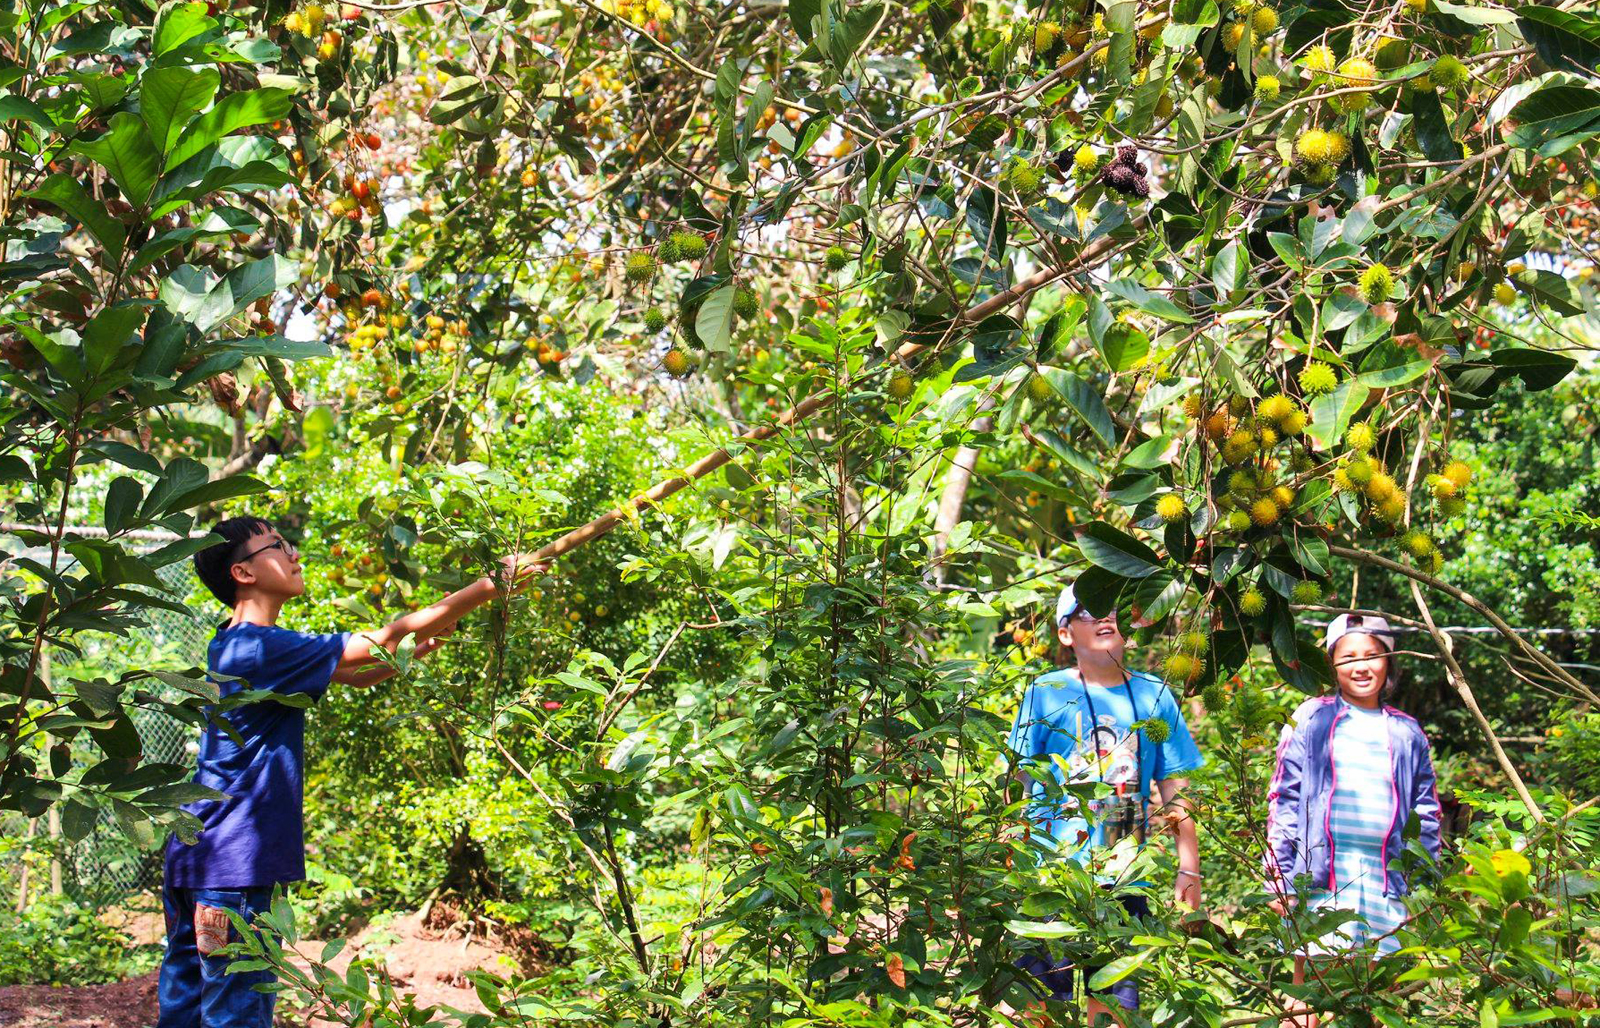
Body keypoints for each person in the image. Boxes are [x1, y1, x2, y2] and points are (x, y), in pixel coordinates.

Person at [156, 516, 545, 1028]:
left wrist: (410, 651)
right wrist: (494, 584)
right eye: (277, 545)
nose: (294, 553)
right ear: (243, 572)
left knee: (186, 1009)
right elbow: (381, 638)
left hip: (198, 859)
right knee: (236, 1011)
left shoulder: (235, 641)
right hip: (234, 867)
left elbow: (358, 672)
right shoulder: (261, 646)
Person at [1006, 584, 1205, 1022]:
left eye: (1113, 608)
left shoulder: (1154, 694)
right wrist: (1006, 855)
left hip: (1123, 873)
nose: (1103, 617)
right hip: (1049, 874)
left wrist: (1188, 868)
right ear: (1064, 634)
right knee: (1041, 1000)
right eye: (1087, 611)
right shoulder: (1046, 691)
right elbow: (1016, 781)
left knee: (1114, 1003)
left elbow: (1175, 789)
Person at [1264, 612, 1443, 1022]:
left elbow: (1425, 814)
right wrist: (1281, 878)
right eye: (1348, 657)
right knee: (1311, 995)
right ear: (1331, 663)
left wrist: (1421, 885)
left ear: (1389, 661)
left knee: (1379, 995)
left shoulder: (1407, 731)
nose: (1360, 666)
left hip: (1385, 884)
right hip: (1322, 878)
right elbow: (1285, 800)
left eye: (1372, 655)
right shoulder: (1311, 718)